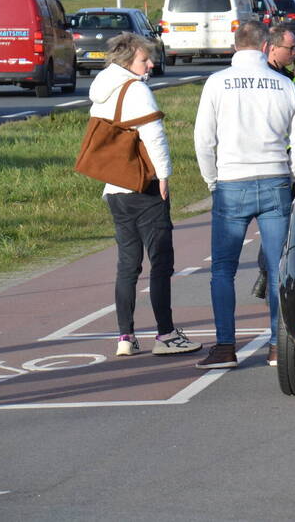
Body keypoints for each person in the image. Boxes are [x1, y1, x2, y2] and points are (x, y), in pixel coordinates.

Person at [194, 21, 295, 369]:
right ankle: (277, 345)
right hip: (275, 179)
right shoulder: (285, 85)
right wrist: (289, 175)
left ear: (234, 46)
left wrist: (213, 180)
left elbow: (204, 140)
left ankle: (225, 346)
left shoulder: (217, 83)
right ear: (264, 47)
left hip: (231, 181)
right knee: (279, 269)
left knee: (223, 270)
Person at [88, 32, 201, 357]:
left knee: (127, 264)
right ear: (127, 61)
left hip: (115, 187)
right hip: (144, 185)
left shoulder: (102, 90)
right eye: (143, 59)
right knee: (161, 261)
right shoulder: (136, 90)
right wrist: (163, 175)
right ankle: (166, 335)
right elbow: (154, 136)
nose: (150, 64)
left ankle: (125, 336)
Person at [249, 27, 295, 299]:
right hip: (279, 162)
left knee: (279, 223)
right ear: (272, 48)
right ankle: (269, 275)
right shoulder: (277, 80)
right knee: (279, 223)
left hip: (284, 160)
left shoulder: (281, 74)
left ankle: (268, 274)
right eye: (291, 48)